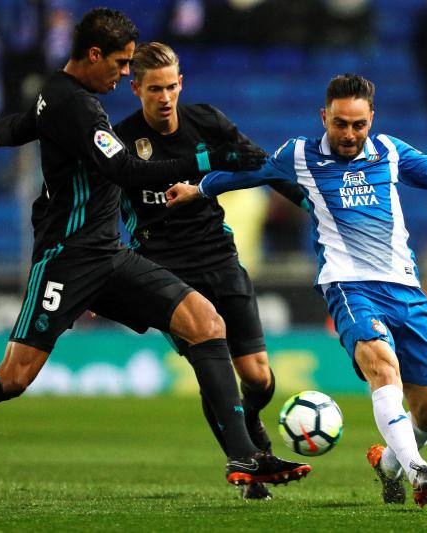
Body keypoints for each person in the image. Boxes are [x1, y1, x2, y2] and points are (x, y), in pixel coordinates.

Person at [0, 8, 309, 506]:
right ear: (94, 55)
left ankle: (244, 456)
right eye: (120, 63)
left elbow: (28, 122)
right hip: (66, 259)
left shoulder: (59, 93)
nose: (124, 73)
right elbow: (130, 172)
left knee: (206, 322)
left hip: (108, 254)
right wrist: (204, 161)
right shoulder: (80, 107)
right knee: (13, 378)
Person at [165, 73, 427, 507]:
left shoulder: (389, 151)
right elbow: (248, 173)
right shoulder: (298, 155)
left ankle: (389, 462)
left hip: (405, 288)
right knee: (381, 366)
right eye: (339, 124)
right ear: (323, 117)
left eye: (358, 124)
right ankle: (417, 471)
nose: (349, 134)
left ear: (372, 118)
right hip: (349, 285)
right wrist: (198, 188)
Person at [113, 42, 307, 500]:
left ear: (182, 84)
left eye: (172, 87)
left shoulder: (208, 123)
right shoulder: (119, 143)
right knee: (209, 358)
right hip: (163, 269)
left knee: (257, 376)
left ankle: (248, 421)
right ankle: (247, 462)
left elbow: (262, 165)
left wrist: (308, 202)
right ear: (136, 88)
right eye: (155, 89)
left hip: (218, 255)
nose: (165, 98)